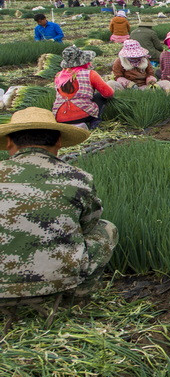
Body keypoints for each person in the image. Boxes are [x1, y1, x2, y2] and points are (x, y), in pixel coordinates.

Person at [0, 107, 118, 303]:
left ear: (9, 141)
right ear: (59, 141)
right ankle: (79, 295)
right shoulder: (78, 178)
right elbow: (88, 224)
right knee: (106, 228)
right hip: (56, 284)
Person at [51, 46, 114, 129]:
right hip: (82, 115)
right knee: (99, 97)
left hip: (59, 117)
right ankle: (95, 122)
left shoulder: (59, 75)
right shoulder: (90, 74)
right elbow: (108, 93)